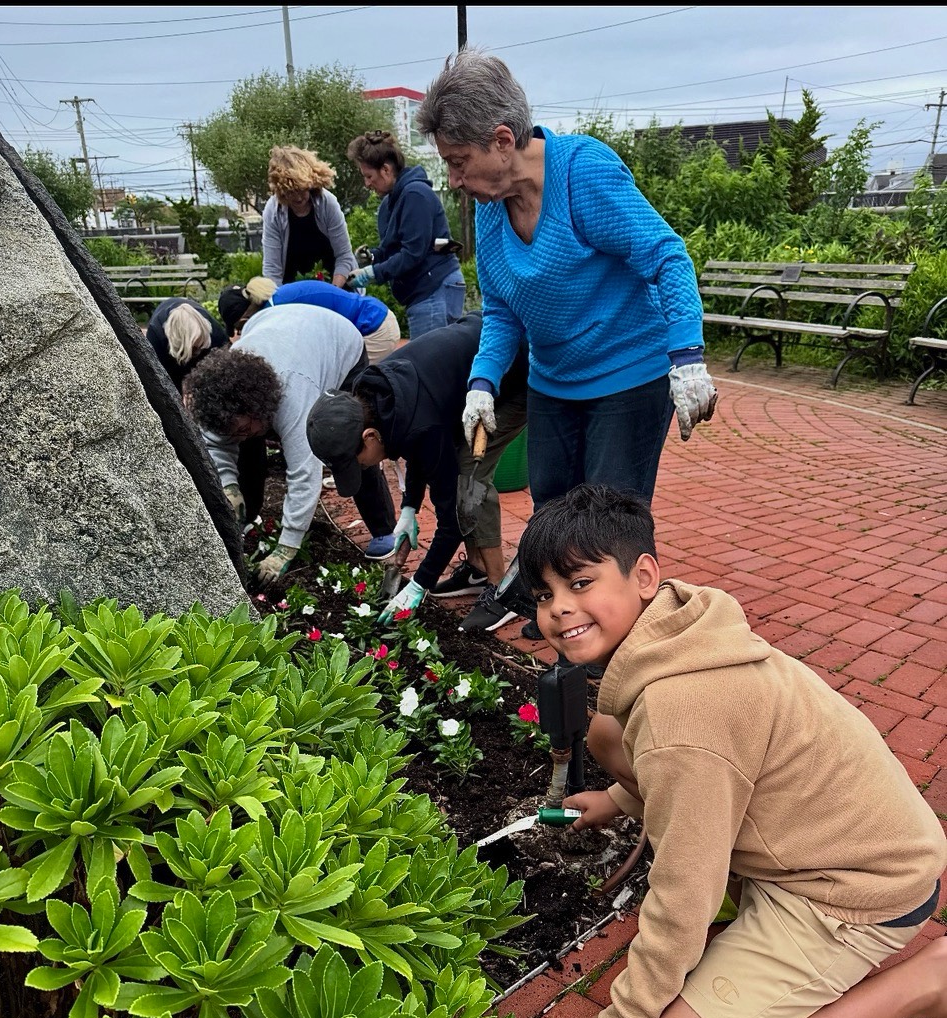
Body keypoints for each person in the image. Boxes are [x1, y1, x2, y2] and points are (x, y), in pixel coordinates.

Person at [512, 483, 947, 1018]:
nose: (558, 609)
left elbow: (684, 890)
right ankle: (746, 902)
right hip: (818, 837)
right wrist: (619, 798)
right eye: (544, 594)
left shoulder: (682, 715)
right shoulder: (683, 627)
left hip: (853, 892)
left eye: (579, 582)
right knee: (606, 732)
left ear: (645, 576)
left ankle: (928, 983)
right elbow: (697, 765)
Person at [415, 48, 718, 640]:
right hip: (554, 381)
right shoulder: (493, 211)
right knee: (553, 509)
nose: (453, 180)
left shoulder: (583, 174)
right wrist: (482, 382)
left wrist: (686, 358)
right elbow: (502, 310)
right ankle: (569, 622)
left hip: (628, 376)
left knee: (609, 523)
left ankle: (627, 648)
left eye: (458, 161)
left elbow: (667, 256)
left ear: (503, 140)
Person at [306, 310, 528, 630]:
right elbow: (412, 443)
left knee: (468, 480)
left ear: (369, 437)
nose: (362, 467)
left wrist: (419, 584)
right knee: (452, 463)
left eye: (358, 462)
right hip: (465, 367)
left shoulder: (418, 423)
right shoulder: (369, 396)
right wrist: (409, 507)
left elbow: (449, 522)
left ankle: (501, 590)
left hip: (511, 367)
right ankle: (477, 570)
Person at [183, 303, 397, 584]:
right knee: (247, 444)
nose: (241, 435)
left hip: (337, 339)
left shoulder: (293, 394)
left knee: (351, 446)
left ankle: (383, 530)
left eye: (244, 428)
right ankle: (247, 514)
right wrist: (229, 487)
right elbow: (217, 444)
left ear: (259, 406)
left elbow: (304, 473)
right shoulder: (221, 393)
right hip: (273, 325)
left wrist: (286, 547)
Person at [345, 129, 465, 338]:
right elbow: (393, 249)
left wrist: (372, 274)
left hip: (434, 288)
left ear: (385, 169)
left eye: (369, 176)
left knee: (431, 357)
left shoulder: (415, 195)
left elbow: (412, 253)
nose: (367, 184)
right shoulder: (390, 203)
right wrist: (372, 257)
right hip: (424, 292)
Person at [216, 276, 401, 362]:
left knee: (352, 391)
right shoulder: (276, 299)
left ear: (245, 317)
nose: (241, 332)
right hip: (371, 319)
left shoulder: (277, 311)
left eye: (240, 328)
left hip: (373, 328)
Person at [261, 145, 356, 289]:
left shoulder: (328, 203)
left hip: (334, 283)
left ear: (311, 184)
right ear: (281, 191)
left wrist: (333, 292)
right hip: (292, 288)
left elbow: (344, 256)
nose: (298, 198)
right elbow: (272, 269)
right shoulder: (273, 211)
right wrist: (277, 298)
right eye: (291, 192)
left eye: (302, 190)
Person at [145, 297, 227, 391]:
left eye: (200, 346)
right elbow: (156, 379)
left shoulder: (215, 333)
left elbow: (225, 368)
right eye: (195, 349)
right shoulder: (156, 335)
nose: (198, 352)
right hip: (170, 351)